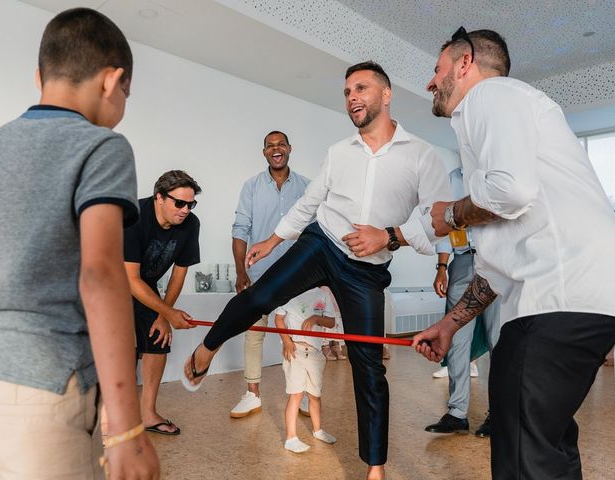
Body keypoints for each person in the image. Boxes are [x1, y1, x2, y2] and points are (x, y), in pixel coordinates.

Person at [183, 61, 451, 480]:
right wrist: (273, 240)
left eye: (360, 88)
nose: (352, 98)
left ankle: (374, 468)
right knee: (261, 296)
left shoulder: (421, 156)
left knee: (368, 365)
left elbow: (438, 222)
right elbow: (309, 202)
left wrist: (389, 237)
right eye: (346, 92)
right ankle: (208, 347)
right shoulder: (339, 152)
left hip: (367, 269)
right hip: (321, 242)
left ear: (386, 94)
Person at [413, 27, 615, 479]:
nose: (431, 83)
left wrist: (450, 215)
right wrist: (449, 326)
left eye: (436, 69)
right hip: (577, 298)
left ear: (464, 62)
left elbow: (510, 192)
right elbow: (496, 268)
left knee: (523, 453)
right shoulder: (500, 121)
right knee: (543, 442)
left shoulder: (492, 96)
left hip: (557, 295)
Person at [0, 8, 159, 479]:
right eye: (127, 93)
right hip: (46, 387)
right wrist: (127, 428)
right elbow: (101, 273)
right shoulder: (102, 146)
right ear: (113, 81)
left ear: (39, 75)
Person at [230, 131, 309, 418]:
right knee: (254, 334)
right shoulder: (251, 187)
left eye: (281, 145)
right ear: (264, 152)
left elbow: (315, 232)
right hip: (259, 273)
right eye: (270, 146)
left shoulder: (306, 187)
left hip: (296, 275)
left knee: (300, 335)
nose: (276, 149)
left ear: (289, 149)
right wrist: (241, 271)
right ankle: (252, 395)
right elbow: (240, 229)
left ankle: (301, 394)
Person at [124, 170, 201, 435]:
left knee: (157, 339)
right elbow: (130, 279)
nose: (185, 210)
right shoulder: (134, 214)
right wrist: (167, 311)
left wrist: (163, 317)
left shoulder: (191, 225)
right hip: (110, 281)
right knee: (119, 345)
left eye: (190, 204)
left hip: (146, 285)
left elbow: (179, 274)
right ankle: (109, 419)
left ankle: (147, 415)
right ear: (159, 197)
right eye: (179, 203)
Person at [425, 167, 501, 438]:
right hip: (463, 260)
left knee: (498, 339)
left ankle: (500, 414)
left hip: (496, 260)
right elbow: (444, 227)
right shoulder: (451, 177)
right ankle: (457, 413)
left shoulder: (496, 172)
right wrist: (442, 267)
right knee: (456, 338)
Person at [275, 287, 338, 453]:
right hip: (295, 351)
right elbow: (279, 319)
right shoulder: (288, 291)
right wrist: (287, 341)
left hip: (316, 353)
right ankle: (291, 438)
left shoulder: (322, 294)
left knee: (315, 395)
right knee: (295, 395)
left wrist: (317, 317)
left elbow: (331, 322)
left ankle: (318, 430)